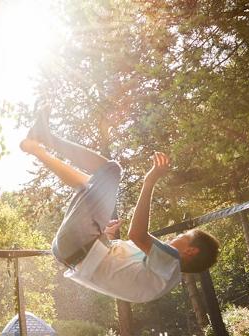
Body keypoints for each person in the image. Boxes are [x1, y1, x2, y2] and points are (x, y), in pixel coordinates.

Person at [20, 108, 219, 303]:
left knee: (112, 169)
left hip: (77, 245)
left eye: (184, 236)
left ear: (191, 251)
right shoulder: (162, 275)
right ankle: (35, 148)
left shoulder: (171, 261)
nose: (176, 236)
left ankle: (45, 137)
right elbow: (114, 271)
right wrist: (106, 236)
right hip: (66, 253)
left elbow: (137, 234)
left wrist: (149, 181)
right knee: (89, 184)